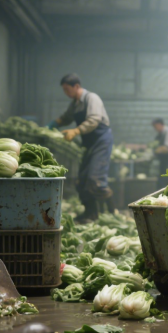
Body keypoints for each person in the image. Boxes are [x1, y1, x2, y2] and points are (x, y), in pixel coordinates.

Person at [48, 74, 114, 222]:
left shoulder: (91, 98)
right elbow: (66, 117)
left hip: (101, 141)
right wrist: (54, 124)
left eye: (67, 89)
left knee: (95, 179)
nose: (66, 93)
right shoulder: (75, 104)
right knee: (82, 180)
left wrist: (76, 131)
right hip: (89, 143)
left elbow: (94, 120)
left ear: (76, 86)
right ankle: (90, 214)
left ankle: (112, 212)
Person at [151, 118, 168, 189]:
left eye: (155, 127)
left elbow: (167, 148)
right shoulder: (161, 134)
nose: (155, 129)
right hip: (164, 164)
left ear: (159, 125)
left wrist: (156, 151)